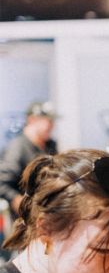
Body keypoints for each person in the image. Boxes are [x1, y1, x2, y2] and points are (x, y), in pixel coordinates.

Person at [0, 103, 58, 248]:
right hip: (26, 225)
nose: (51, 125)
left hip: (47, 217)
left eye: (52, 121)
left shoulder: (50, 146)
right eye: (47, 121)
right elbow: (2, 182)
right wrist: (19, 202)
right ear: (32, 120)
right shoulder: (17, 147)